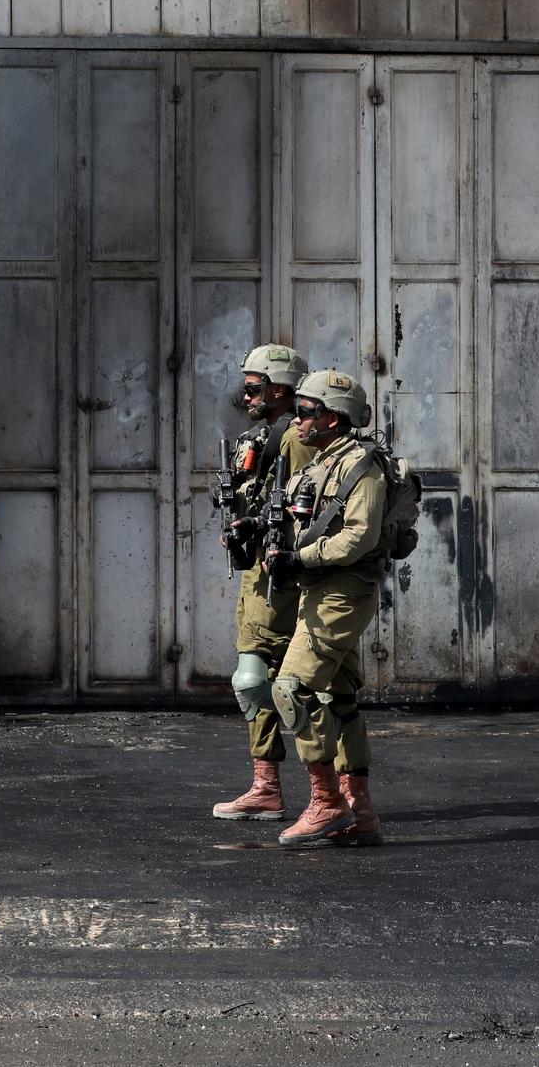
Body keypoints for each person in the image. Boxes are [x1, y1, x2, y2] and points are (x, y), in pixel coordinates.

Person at [264, 369, 386, 848]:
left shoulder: (362, 467)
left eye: (307, 411)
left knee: (291, 688)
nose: (298, 420)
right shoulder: (321, 463)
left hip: (343, 589)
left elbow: (361, 535)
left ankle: (327, 802)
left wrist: (303, 557)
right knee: (340, 698)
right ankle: (362, 811)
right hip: (319, 588)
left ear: (335, 419)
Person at [210, 343, 317, 823]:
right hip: (257, 576)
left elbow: (312, 509)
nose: (246, 396)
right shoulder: (256, 438)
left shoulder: (298, 439)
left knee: (307, 689)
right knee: (251, 681)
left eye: (253, 388)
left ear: (278, 389)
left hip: (292, 578)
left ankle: (330, 793)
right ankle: (265, 788)